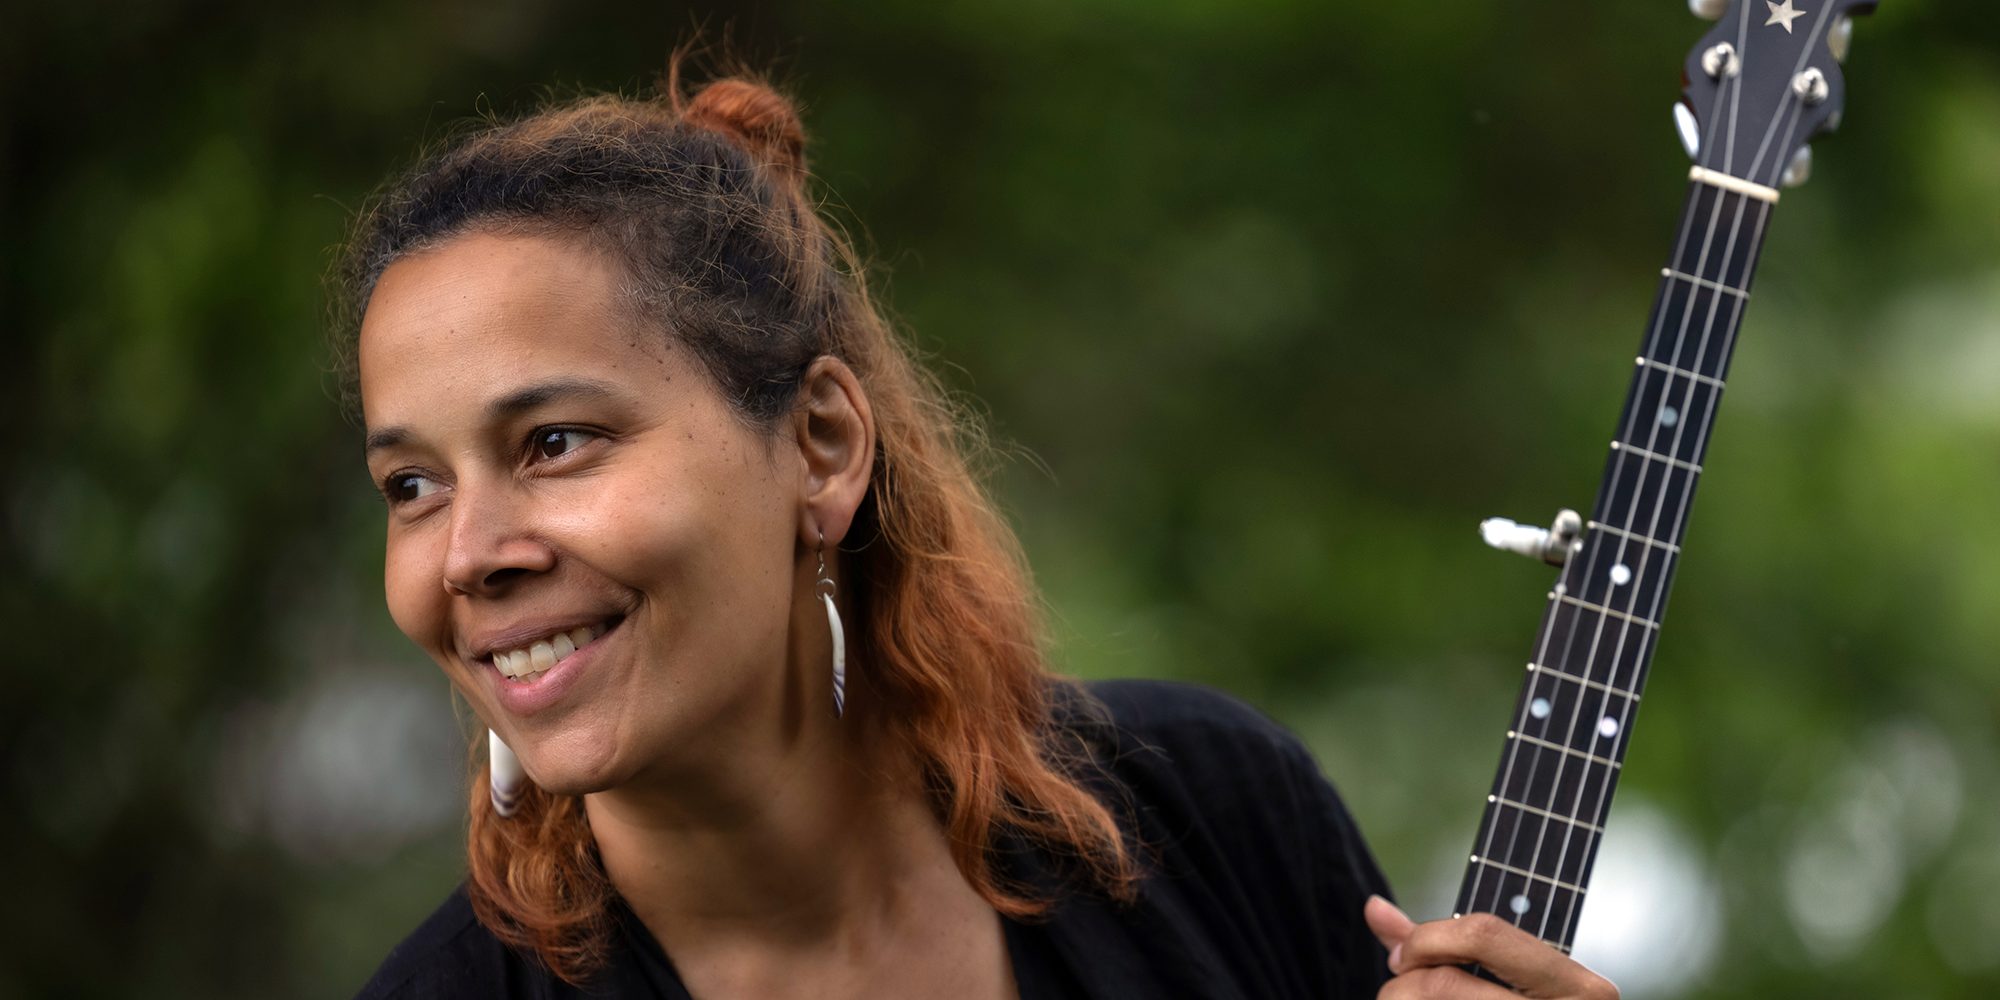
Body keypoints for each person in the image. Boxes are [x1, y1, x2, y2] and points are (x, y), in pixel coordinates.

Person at [343, 68, 1619, 1000]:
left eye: (554, 442)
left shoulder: (1205, 814)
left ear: (822, 447)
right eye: (413, 486)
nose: (468, 554)